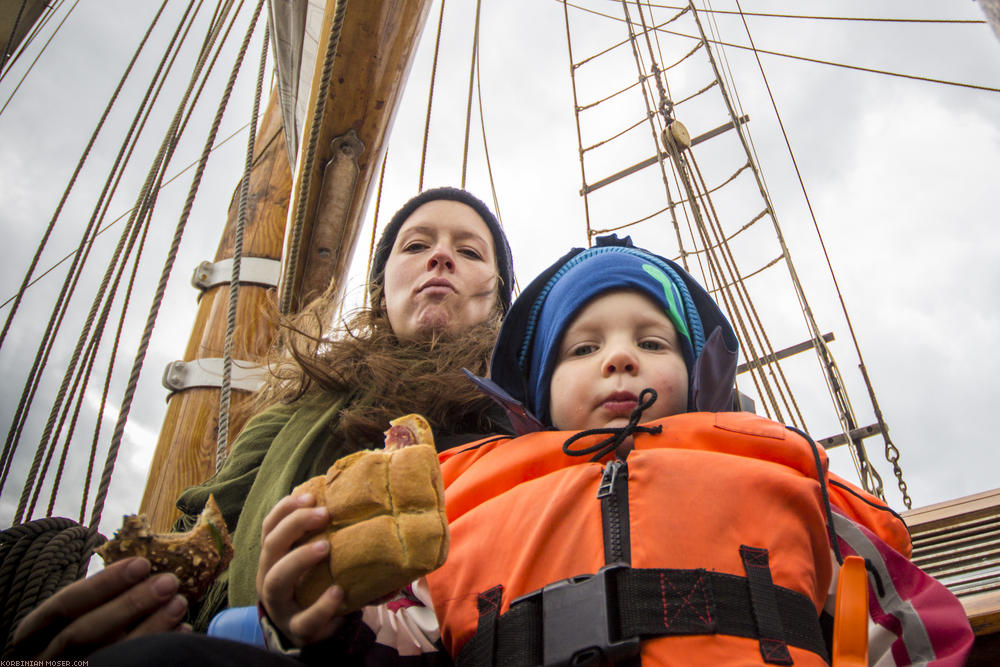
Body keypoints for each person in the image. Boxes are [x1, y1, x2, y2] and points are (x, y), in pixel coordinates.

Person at [286, 234, 972, 665]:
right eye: (584, 348)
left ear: (696, 374)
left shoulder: (779, 466)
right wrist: (324, 626)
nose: (619, 359)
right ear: (539, 390)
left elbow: (905, 622)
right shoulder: (462, 494)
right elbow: (400, 636)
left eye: (651, 342)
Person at [8, 186, 516, 660]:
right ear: (383, 288)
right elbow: (201, 534)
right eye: (415, 245)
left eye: (470, 252)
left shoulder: (526, 424)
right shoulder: (290, 415)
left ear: (499, 302)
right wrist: (147, 615)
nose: (440, 256)